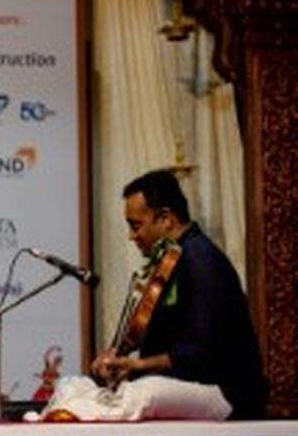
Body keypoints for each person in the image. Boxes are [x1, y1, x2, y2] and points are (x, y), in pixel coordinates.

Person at [39, 169, 267, 421]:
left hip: (226, 391)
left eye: (136, 225)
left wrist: (138, 366)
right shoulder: (169, 260)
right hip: (183, 383)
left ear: (166, 219)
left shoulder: (202, 261)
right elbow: (155, 335)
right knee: (72, 385)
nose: (131, 236)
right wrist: (117, 356)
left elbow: (204, 353)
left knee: (142, 393)